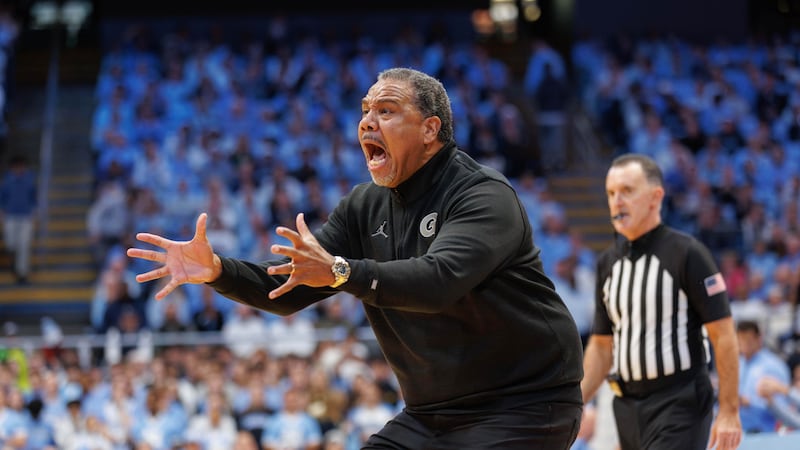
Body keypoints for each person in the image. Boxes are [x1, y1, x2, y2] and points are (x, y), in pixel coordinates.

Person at [127, 67, 584, 449]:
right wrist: (218, 271)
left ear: (430, 130)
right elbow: (287, 287)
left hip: (525, 403)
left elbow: (438, 281)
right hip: (431, 414)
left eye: (386, 110)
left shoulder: (483, 195)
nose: (367, 122)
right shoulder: (363, 206)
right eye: (365, 110)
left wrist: (342, 272)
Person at [580, 153, 742, 450]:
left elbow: (724, 336)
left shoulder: (688, 253)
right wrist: (575, 403)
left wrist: (729, 411)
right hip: (626, 406)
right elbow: (602, 347)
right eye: (611, 193)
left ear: (656, 197)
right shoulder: (607, 264)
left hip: (680, 401)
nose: (617, 201)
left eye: (627, 191)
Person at [0, 154, 37, 284]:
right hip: (10, 215)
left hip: (25, 216)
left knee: (24, 245)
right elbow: (2, 197)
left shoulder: (30, 179)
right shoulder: (7, 180)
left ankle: (22, 272)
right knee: (11, 244)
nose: (20, 168)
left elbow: (34, 197)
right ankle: (14, 262)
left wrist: (34, 212)